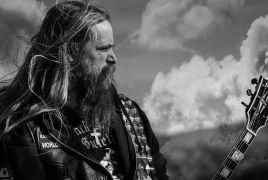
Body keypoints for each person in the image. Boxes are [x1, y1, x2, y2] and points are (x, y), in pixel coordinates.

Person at [0, 1, 168, 180]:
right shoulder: (25, 128)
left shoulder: (132, 116)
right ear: (70, 53)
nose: (113, 58)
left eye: (112, 47)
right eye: (103, 49)